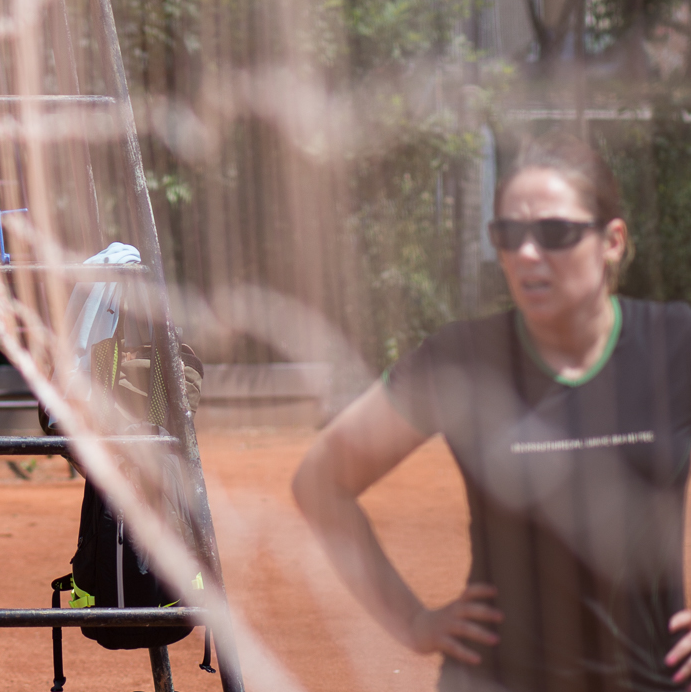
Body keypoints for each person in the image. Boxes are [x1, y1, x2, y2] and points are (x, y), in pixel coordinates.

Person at [293, 134, 691, 692]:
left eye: (554, 232)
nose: (526, 254)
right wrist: (413, 622)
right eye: (508, 234)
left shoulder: (675, 344)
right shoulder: (461, 360)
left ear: (612, 241)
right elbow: (320, 481)